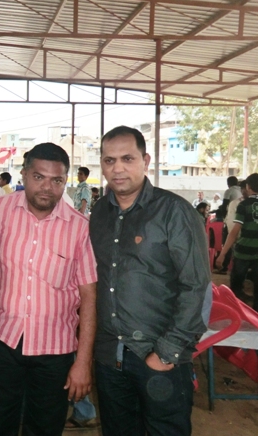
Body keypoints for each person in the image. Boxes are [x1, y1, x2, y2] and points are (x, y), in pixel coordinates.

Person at [90, 126, 209, 436]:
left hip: (157, 356)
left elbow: (196, 286)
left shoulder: (174, 212)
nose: (117, 168)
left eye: (127, 158)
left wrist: (167, 352)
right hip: (109, 357)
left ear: (145, 160)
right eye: (109, 160)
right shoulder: (100, 212)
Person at [0, 143, 97, 436]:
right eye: (38, 177)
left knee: (45, 428)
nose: (47, 187)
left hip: (54, 351)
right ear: (24, 174)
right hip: (2, 341)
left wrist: (83, 362)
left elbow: (89, 297)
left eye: (57, 180)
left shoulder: (79, 228)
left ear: (66, 181)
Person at [216, 173, 258, 309]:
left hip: (243, 251)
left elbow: (234, 232)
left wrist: (222, 254)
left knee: (236, 284)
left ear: (248, 187)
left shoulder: (243, 205)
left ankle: (237, 311)